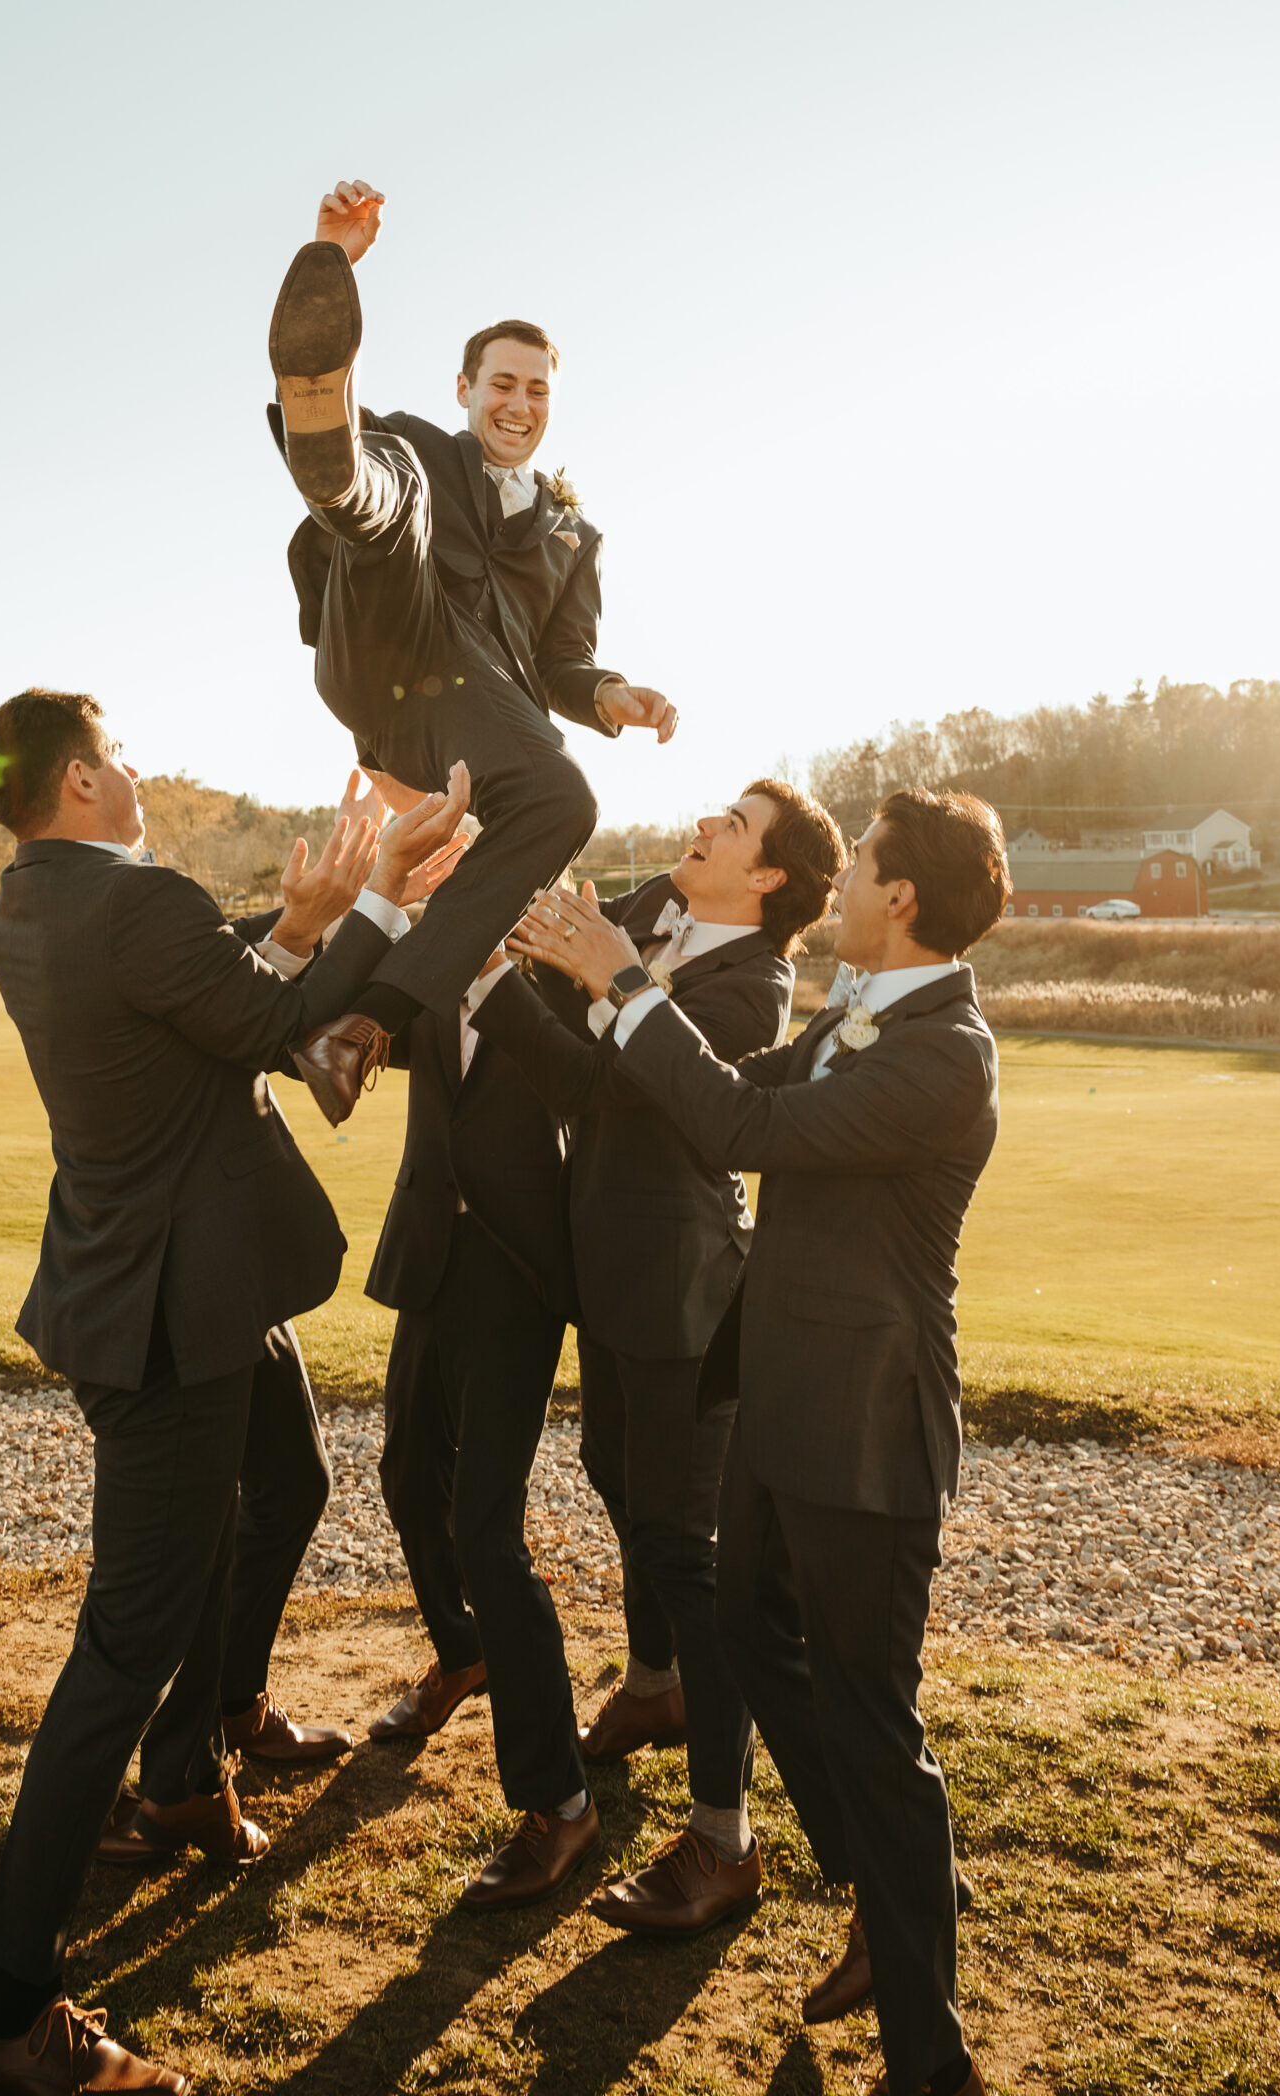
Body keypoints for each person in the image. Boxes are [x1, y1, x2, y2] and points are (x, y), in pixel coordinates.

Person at [0, 689, 465, 2096]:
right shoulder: (136, 899)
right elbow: (272, 1023)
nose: (136, 774)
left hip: (192, 1277)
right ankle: (13, 2005)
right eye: (115, 759)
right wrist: (372, 895)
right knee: (123, 1642)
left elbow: (204, 991)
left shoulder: (41, 899)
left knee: (290, 1479)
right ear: (75, 782)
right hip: (172, 1314)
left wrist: (298, 927)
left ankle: (186, 1771)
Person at [511, 789, 1010, 2096]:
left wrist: (623, 981)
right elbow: (723, 1091)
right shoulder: (857, 1018)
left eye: (859, 880)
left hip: (862, 1431)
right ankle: (892, 1884)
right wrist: (607, 984)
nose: (834, 894)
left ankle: (927, 2058)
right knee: (741, 1628)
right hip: (778, 1401)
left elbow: (734, 1129)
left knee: (869, 1717)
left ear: (898, 901)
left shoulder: (942, 1054)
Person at [471, 785, 845, 1935]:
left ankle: (726, 1839)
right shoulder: (647, 909)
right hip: (608, 1268)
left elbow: (603, 1087)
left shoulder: (751, 991)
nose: (704, 825)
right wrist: (524, 938)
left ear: (769, 879)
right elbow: (561, 941)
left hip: (681, 1289)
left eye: (733, 825)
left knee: (693, 1557)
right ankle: (657, 1685)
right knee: (613, 1475)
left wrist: (493, 987)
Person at [264, 176, 678, 1124]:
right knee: (393, 487)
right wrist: (334, 259)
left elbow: (565, 663)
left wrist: (611, 694)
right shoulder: (427, 441)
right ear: (467, 389)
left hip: (472, 708)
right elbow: (391, 488)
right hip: (379, 634)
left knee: (563, 793)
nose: (519, 403)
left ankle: (360, 1027)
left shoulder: (575, 538)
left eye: (537, 390)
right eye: (501, 384)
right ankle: (334, 455)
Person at [364, 939, 596, 1908]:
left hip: (517, 1273)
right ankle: (464, 1655)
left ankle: (562, 1802)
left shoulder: (560, 966)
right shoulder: (424, 956)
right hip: (430, 1250)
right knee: (406, 1478)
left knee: (485, 1530)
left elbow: (583, 1089)